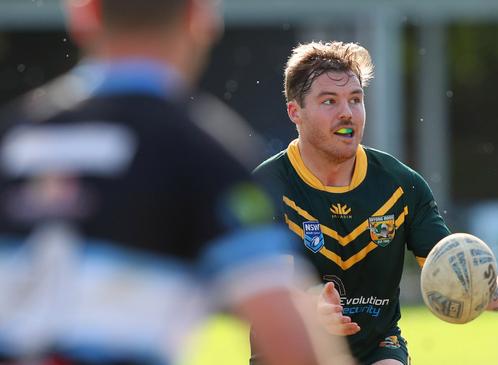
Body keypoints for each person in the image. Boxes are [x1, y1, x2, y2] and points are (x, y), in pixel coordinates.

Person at [0, 2, 353, 365]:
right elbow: (286, 335)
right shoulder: (203, 153)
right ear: (201, 20)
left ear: (82, 16)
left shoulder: (10, 134)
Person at [253, 41, 498, 365]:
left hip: (376, 348)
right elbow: (265, 287)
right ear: (296, 112)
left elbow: (451, 267)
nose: (346, 112)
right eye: (329, 101)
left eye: (355, 99)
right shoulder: (265, 188)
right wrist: (308, 310)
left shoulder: (400, 185)